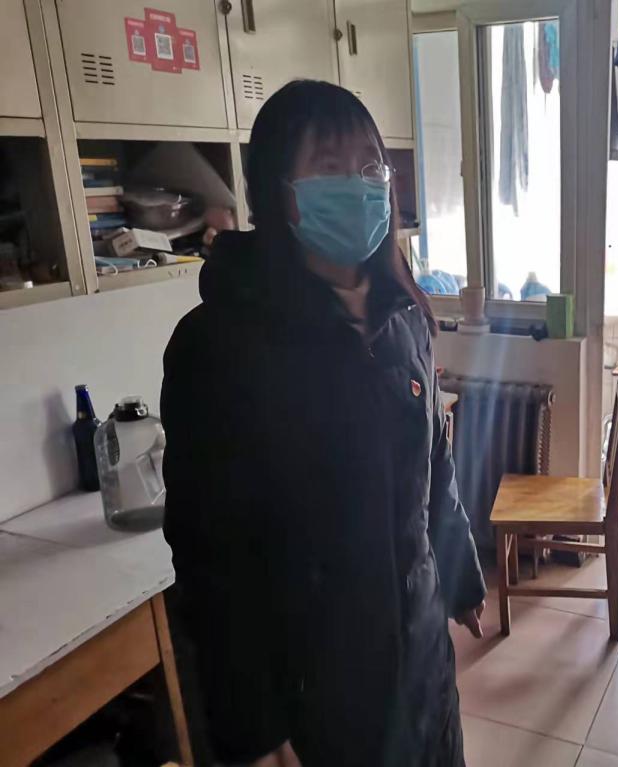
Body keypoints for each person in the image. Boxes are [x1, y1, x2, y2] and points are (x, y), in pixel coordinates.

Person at [161, 80, 486, 767]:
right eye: (331, 167)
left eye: (371, 167)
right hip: (318, 691)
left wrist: (458, 576)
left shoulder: (403, 315)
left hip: (421, 662)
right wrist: (252, 721)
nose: (359, 185)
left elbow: (433, 464)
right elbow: (212, 555)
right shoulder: (220, 346)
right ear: (279, 191)